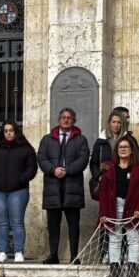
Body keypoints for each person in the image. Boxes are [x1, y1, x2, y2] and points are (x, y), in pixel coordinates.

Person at [37, 107, 90, 264]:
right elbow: (41, 158)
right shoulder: (47, 139)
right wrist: (54, 170)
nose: (66, 120)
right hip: (53, 187)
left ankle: (74, 256)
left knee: (74, 225)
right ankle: (53, 255)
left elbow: (83, 158)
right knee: (53, 225)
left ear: (74, 121)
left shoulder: (81, 140)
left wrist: (67, 170)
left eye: (69, 118)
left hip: (72, 187)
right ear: (58, 120)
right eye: (63, 117)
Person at [0, 120, 38, 263]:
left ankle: (18, 252)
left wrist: (22, 179)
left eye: (11, 130)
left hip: (18, 190)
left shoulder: (26, 149)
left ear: (16, 132)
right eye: (6, 131)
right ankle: (2, 252)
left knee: (17, 222)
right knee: (1, 222)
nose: (8, 133)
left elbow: (32, 168)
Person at [98, 135, 139, 277]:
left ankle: (133, 273)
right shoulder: (109, 169)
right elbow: (103, 191)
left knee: (133, 239)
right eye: (120, 147)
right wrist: (103, 212)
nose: (123, 149)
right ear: (116, 150)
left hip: (133, 208)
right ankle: (115, 272)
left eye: (126, 147)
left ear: (132, 150)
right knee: (114, 239)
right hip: (113, 207)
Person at [90, 110, 137, 192]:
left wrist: (131, 177)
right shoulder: (101, 140)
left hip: (126, 183)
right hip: (106, 182)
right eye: (114, 122)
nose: (116, 125)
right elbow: (93, 163)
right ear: (109, 123)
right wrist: (99, 177)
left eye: (119, 122)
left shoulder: (130, 140)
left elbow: (137, 160)